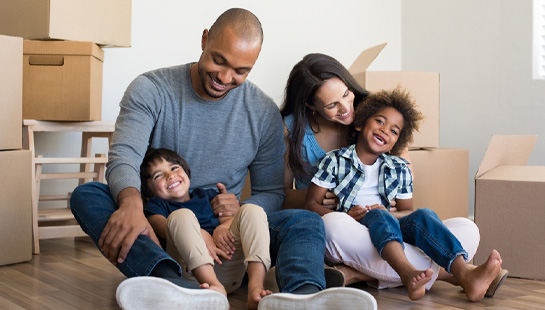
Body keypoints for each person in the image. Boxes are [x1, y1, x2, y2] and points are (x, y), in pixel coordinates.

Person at [70, 8, 376, 310]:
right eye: (219, 60)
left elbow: (271, 193)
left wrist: (238, 213)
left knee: (305, 220)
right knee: (88, 195)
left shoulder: (263, 112)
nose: (225, 77)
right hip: (160, 227)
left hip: (230, 239)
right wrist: (132, 205)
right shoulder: (151, 90)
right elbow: (124, 156)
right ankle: (171, 283)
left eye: (241, 71)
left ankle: (304, 298)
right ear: (204, 40)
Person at [280, 53, 508, 296]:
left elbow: (405, 203)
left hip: (390, 225)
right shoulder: (303, 138)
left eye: (346, 94)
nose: (347, 109)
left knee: (467, 228)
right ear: (311, 105)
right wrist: (333, 202)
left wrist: (392, 211)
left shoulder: (379, 115)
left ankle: (356, 274)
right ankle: (453, 275)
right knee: (334, 225)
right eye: (332, 105)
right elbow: (282, 196)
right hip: (344, 227)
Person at [140, 148, 272, 308]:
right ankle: (214, 287)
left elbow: (230, 219)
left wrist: (222, 227)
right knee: (181, 216)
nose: (170, 175)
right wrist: (200, 233)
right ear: (148, 192)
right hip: (193, 273)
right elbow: (160, 226)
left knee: (252, 210)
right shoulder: (157, 205)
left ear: (186, 173)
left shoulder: (206, 195)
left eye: (174, 168)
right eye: (158, 175)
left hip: (229, 263)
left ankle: (256, 288)